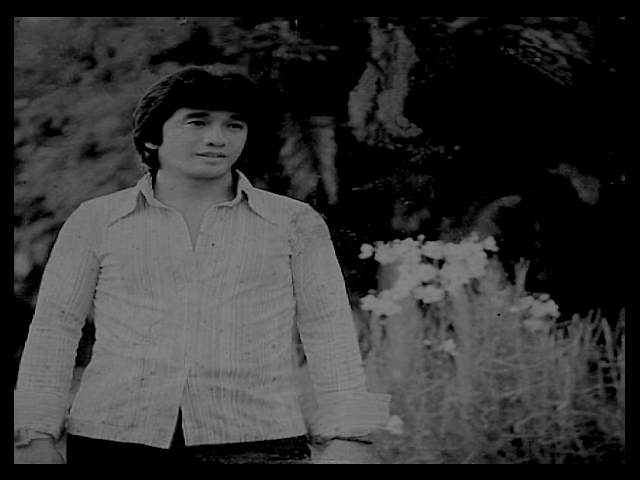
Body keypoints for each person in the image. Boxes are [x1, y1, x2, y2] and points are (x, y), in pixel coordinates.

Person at [14, 66, 391, 464]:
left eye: (234, 125)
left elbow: (328, 327)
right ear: (152, 136)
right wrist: (33, 435)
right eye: (197, 122)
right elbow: (55, 325)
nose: (217, 138)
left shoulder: (293, 222)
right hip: (114, 437)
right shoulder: (97, 219)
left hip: (258, 440)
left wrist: (350, 437)